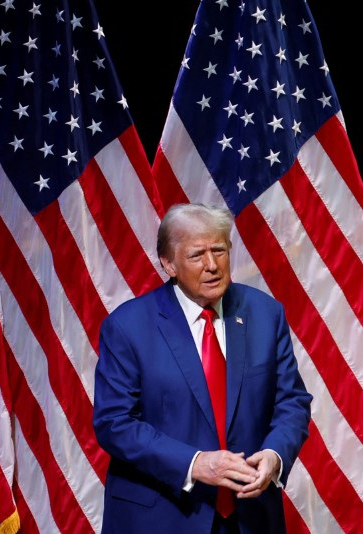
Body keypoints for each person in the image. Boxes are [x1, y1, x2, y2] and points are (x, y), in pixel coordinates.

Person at [93, 203, 312, 534]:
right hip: (162, 517)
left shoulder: (265, 314)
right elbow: (114, 423)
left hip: (248, 516)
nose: (212, 265)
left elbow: (292, 402)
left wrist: (274, 455)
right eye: (197, 255)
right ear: (169, 263)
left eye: (220, 251)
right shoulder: (128, 327)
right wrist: (194, 463)